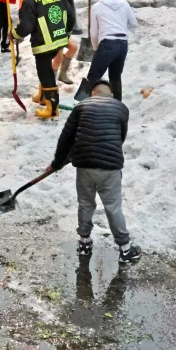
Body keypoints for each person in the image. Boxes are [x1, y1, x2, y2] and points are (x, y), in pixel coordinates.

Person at [45, 80, 141, 263]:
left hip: (85, 165)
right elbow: (120, 137)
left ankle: (84, 243)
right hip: (110, 167)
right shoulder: (121, 108)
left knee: (85, 204)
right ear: (110, 95)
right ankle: (125, 249)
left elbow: (66, 138)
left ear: (93, 94)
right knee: (113, 207)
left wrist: (57, 163)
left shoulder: (81, 107)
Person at [11, 0, 71, 119]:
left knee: (45, 73)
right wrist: (65, 33)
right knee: (45, 70)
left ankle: (52, 109)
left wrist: (13, 34)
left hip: (44, 44)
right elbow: (70, 16)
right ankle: (43, 96)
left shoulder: (30, 0)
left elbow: (26, 27)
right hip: (59, 39)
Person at [84, 0, 137, 102]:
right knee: (115, 77)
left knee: (93, 77)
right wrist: (122, 30)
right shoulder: (124, 3)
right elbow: (134, 24)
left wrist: (96, 47)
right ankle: (117, 106)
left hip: (107, 44)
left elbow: (93, 32)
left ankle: (89, 106)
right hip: (123, 44)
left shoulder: (97, 7)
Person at [53, 0, 87, 84]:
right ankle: (51, 82)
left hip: (65, 33)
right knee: (58, 57)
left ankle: (62, 75)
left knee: (73, 47)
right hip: (57, 32)